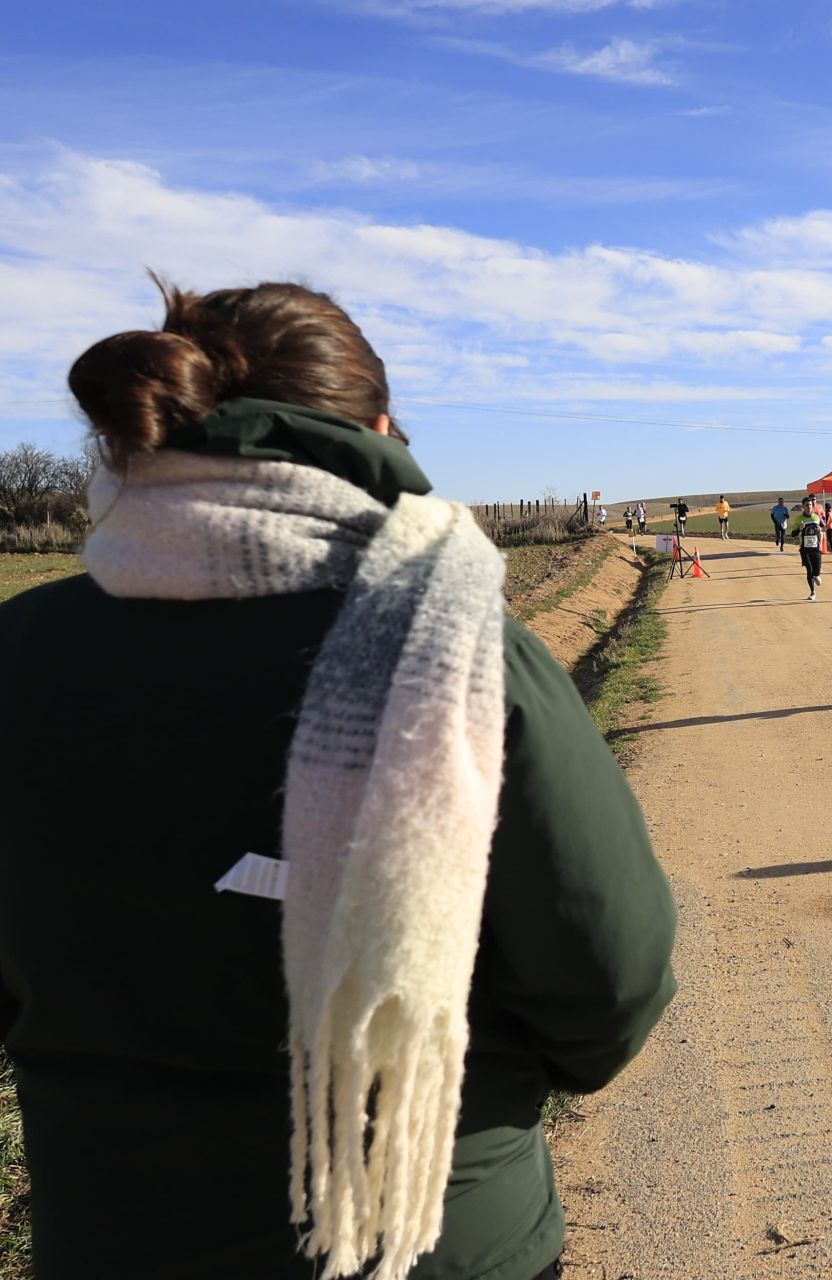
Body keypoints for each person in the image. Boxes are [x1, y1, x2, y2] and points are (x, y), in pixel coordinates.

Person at [0, 279, 677, 1280]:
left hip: (115, 1226)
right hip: (427, 1231)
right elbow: (607, 977)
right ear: (381, 430)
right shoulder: (459, 647)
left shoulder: (18, 651)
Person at [794, 496, 826, 600]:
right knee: (809, 570)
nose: (809, 507)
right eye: (807, 505)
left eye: (811, 505)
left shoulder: (816, 517)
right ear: (803, 506)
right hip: (805, 548)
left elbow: (823, 527)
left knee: (816, 572)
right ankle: (812, 592)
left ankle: (816, 575)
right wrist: (799, 529)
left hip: (816, 547)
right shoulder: (799, 519)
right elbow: (793, 534)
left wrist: (821, 539)